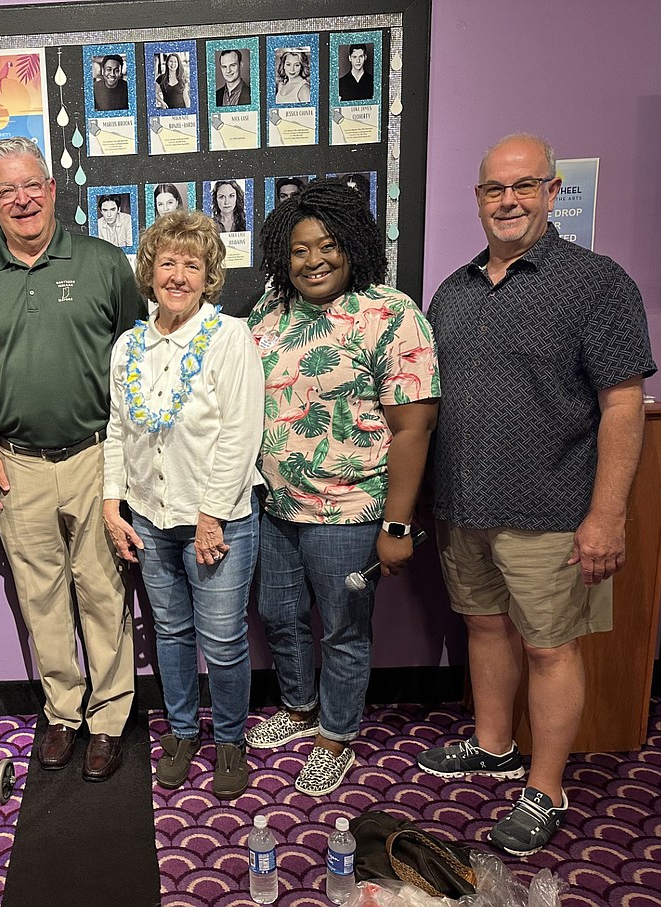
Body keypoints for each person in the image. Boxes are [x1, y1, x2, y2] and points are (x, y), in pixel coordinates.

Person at [417, 134, 655, 855]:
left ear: (553, 193)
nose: (509, 200)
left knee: (551, 648)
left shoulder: (596, 283)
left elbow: (623, 403)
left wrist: (607, 514)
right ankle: (494, 745)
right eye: (495, 189)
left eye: (525, 186)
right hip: (463, 505)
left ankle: (545, 787)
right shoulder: (452, 290)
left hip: (552, 511)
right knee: (485, 630)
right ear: (479, 198)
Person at [0, 136, 146, 781]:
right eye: (6, 191)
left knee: (102, 588)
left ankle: (110, 717)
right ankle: (63, 710)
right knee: (40, 597)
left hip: (95, 457)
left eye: (31, 185)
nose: (22, 200)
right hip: (15, 463)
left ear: (54, 189)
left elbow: (135, 359)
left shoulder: (102, 263)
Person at [244, 179, 439, 796]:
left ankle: (336, 735)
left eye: (327, 245)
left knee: (343, 628)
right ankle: (300, 709)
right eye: (299, 250)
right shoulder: (268, 315)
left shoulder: (391, 313)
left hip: (351, 509)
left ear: (352, 245)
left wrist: (398, 525)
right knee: (279, 615)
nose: (314, 260)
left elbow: (415, 425)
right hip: (273, 505)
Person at [103, 210, 264, 799]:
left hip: (215, 520)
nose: (177, 275)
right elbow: (119, 429)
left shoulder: (229, 338)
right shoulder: (129, 346)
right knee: (170, 632)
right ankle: (179, 731)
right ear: (149, 270)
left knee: (221, 639)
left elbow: (241, 434)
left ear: (208, 275)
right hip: (149, 516)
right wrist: (110, 504)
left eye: (191, 265)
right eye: (167, 262)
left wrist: (210, 515)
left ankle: (228, 740)